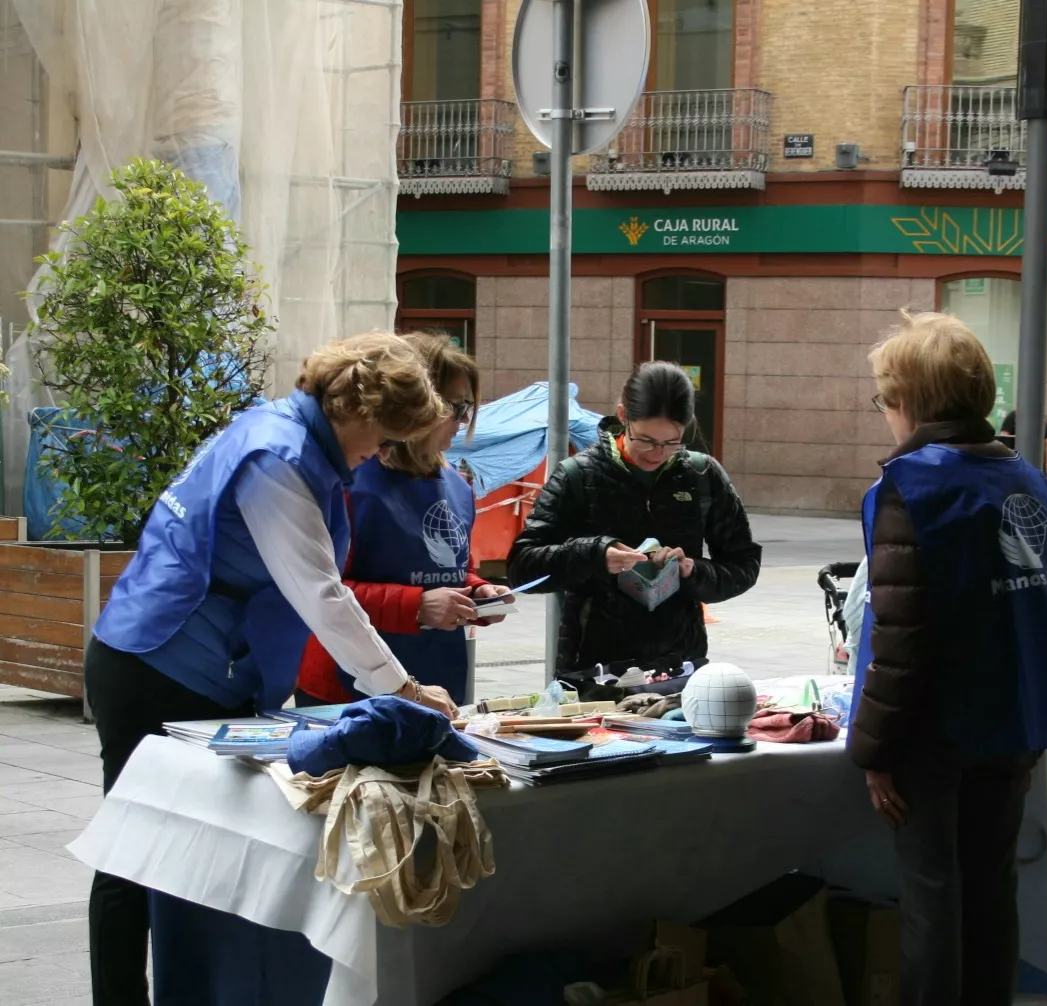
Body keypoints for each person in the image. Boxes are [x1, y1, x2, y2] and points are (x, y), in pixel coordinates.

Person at [82, 332, 454, 1006]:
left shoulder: (292, 437)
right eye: (384, 438)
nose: (380, 453)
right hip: (154, 663)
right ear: (359, 412)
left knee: (204, 850)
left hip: (214, 671)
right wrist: (401, 687)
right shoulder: (276, 457)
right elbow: (320, 593)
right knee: (133, 855)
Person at [848, 310, 1047, 1006]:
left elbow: (899, 639)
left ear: (913, 403)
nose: (885, 414)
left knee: (932, 902)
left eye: (886, 399)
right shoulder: (1023, 477)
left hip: (936, 731)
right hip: (1014, 723)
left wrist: (874, 751)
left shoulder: (911, 486)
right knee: (990, 893)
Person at [293, 333, 514, 708]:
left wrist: (479, 593)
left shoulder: (457, 486)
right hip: (348, 686)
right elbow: (319, 591)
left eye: (469, 409)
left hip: (439, 678)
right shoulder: (351, 480)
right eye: (455, 407)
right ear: (416, 404)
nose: (462, 422)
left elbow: (455, 569)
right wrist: (415, 604)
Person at [507, 361, 761, 674]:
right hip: (593, 669)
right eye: (646, 440)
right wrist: (596, 554)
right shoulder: (577, 476)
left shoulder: (701, 475)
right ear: (624, 416)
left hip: (679, 665)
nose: (657, 453)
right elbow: (522, 568)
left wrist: (692, 571)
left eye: (671, 442)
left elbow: (744, 564)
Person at [997, 409, 1047, 474]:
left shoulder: (1042, 418)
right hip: (1018, 463)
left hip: (1036, 464)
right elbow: (1004, 438)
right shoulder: (1013, 416)